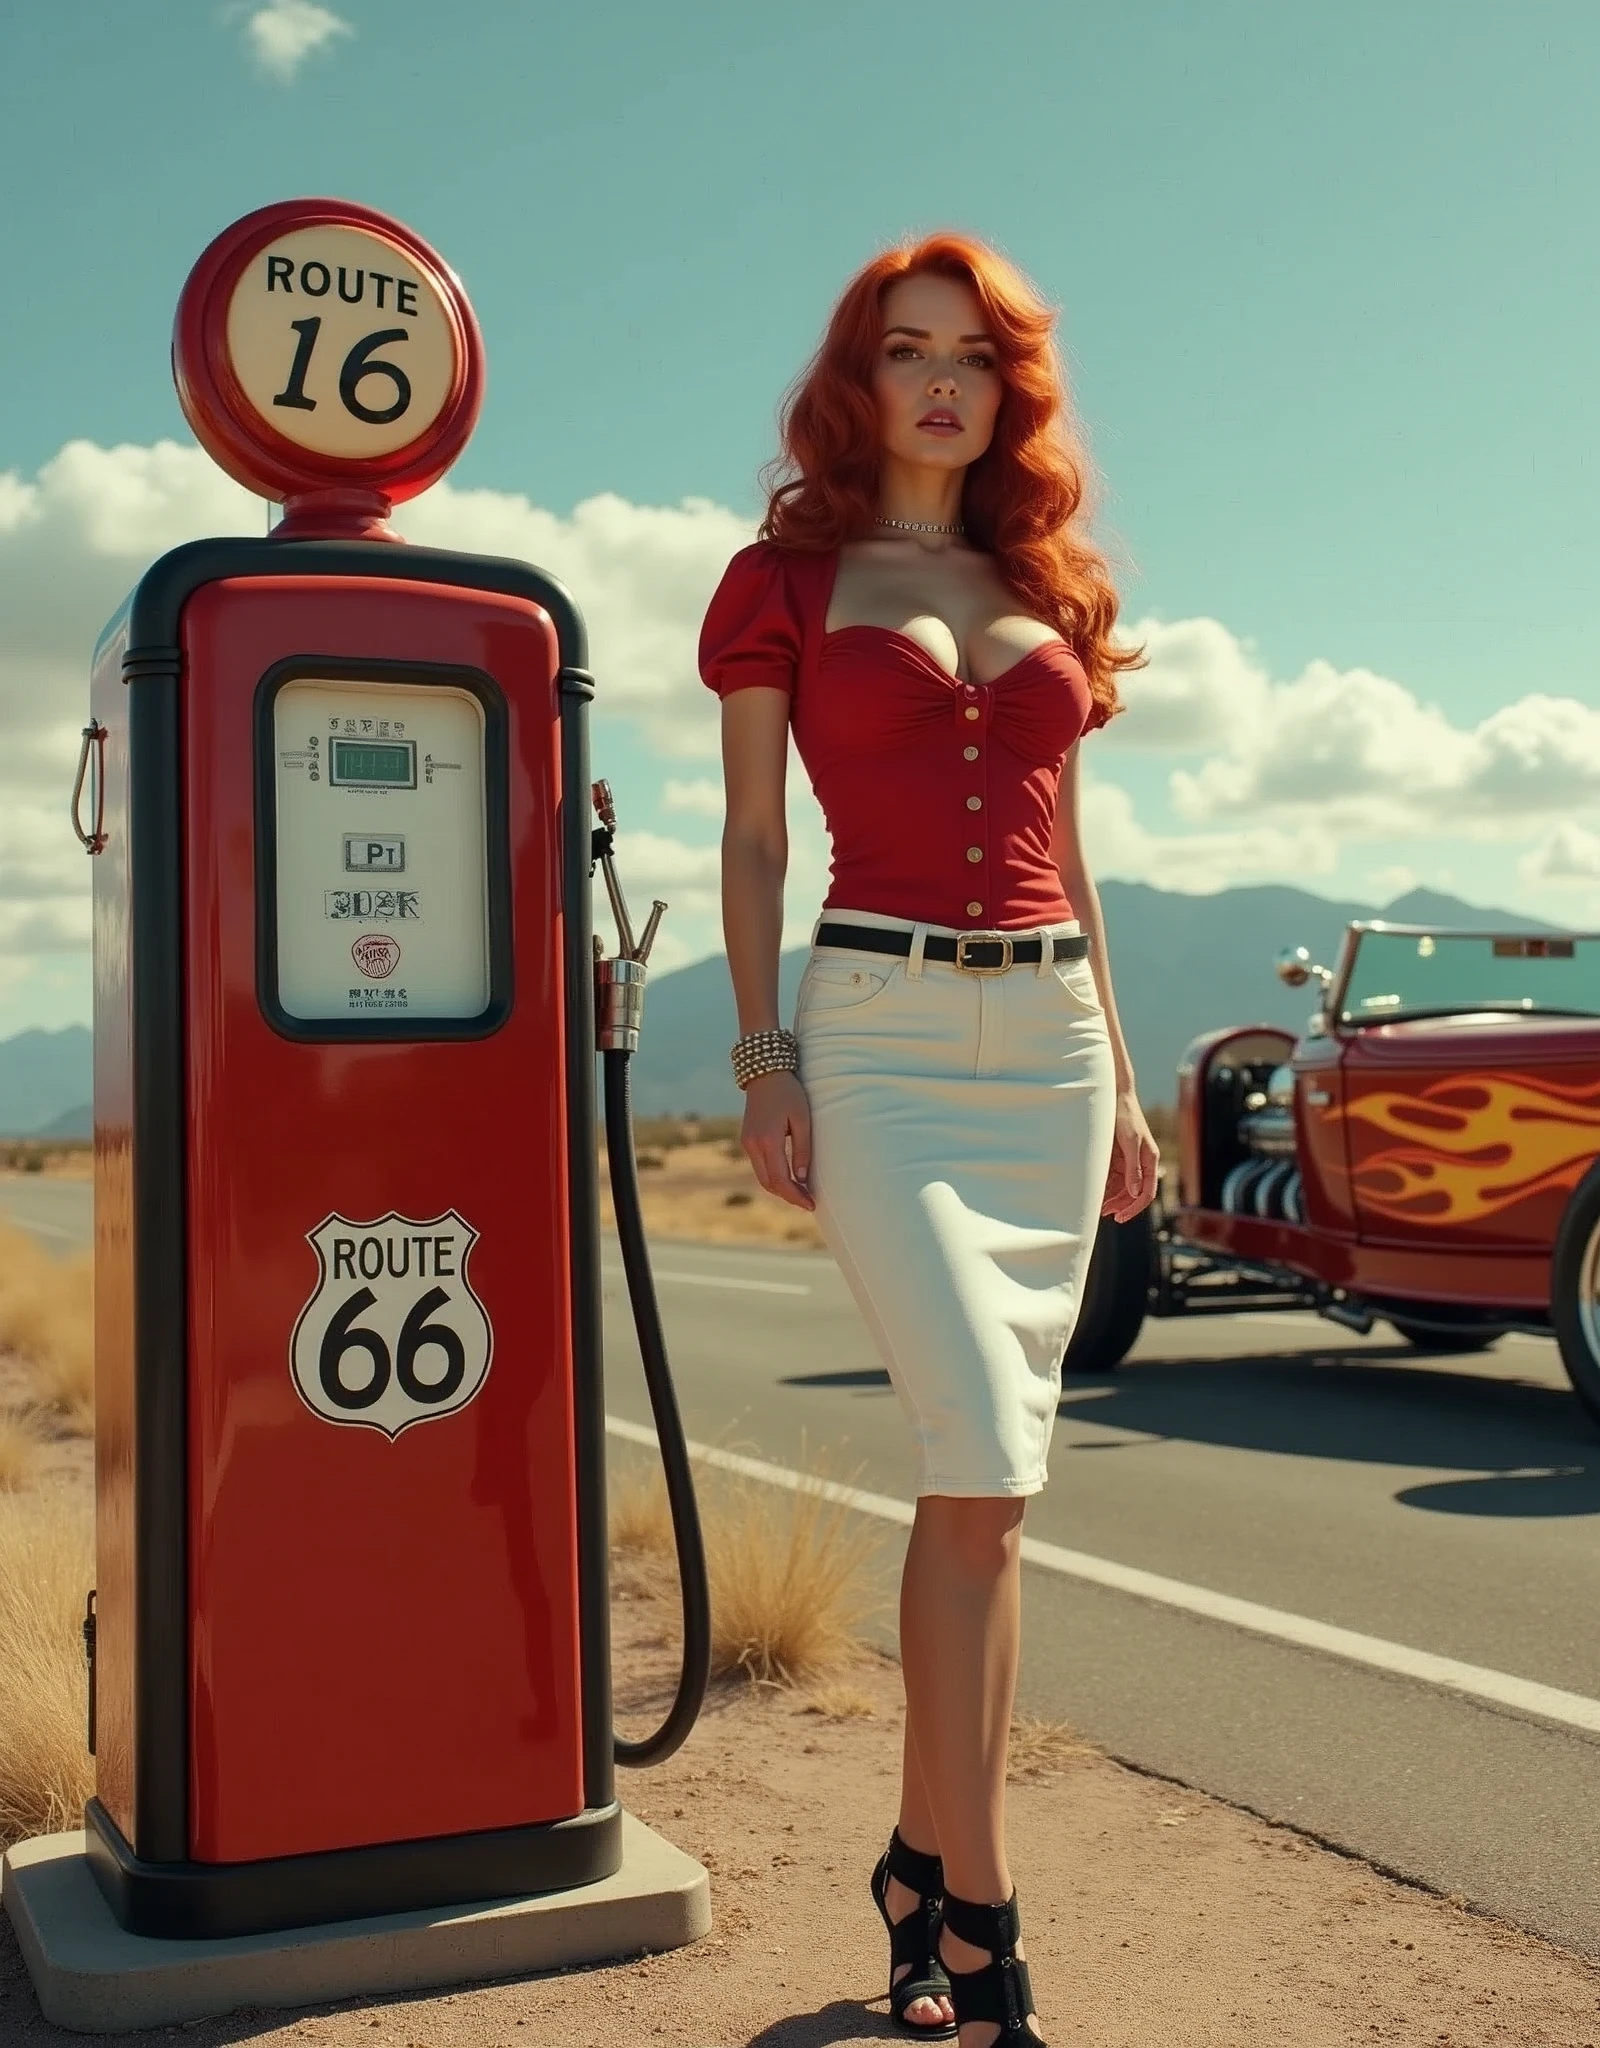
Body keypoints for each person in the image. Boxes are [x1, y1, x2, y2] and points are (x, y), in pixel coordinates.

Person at [698, 231, 1158, 2048]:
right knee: (972, 1440)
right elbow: (749, 841)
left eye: (973, 354)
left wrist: (1119, 1070)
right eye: (908, 352)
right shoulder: (782, 583)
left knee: (995, 1492)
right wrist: (762, 1055)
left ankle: (918, 1861)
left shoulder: (1053, 579)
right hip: (880, 1039)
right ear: (859, 378)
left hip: (1047, 1039)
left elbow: (1080, 852)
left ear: (1008, 383)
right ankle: (983, 1923)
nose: (942, 381)